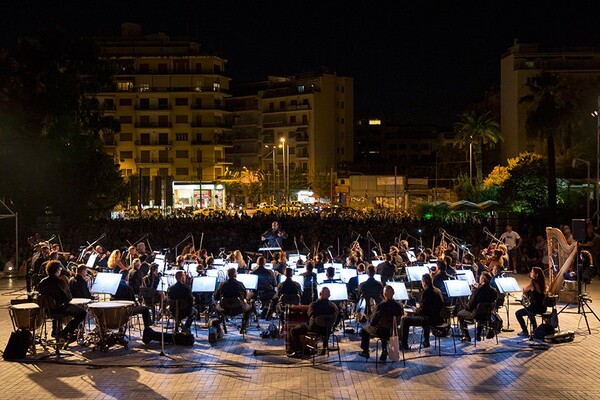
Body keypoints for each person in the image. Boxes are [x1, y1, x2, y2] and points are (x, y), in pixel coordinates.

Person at [37, 260, 86, 341]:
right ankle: (65, 332)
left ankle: (57, 331)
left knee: (61, 308)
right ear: (57, 270)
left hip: (47, 310)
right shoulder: (60, 282)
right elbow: (68, 298)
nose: (60, 271)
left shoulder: (42, 282)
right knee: (82, 313)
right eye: (60, 269)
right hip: (59, 308)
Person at [287, 286, 339, 357]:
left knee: (294, 330)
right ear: (329, 295)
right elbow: (337, 317)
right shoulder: (333, 307)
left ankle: (297, 351)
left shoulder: (314, 305)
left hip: (314, 329)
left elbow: (310, 315)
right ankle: (323, 348)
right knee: (324, 327)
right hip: (327, 331)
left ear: (320, 294)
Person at [359, 285, 404, 361]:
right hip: (393, 332)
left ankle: (365, 352)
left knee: (364, 329)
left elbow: (373, 322)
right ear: (394, 293)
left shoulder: (381, 306)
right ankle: (384, 349)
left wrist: (370, 321)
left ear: (384, 295)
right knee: (384, 327)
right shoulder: (399, 306)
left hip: (381, 331)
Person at [399, 273, 445, 350]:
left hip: (429, 319)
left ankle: (403, 344)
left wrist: (416, 310)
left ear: (424, 282)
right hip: (438, 318)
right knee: (422, 316)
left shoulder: (426, 293)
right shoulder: (438, 291)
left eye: (422, 281)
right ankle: (426, 341)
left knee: (404, 320)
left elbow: (422, 310)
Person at [457, 271, 498, 342]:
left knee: (460, 314)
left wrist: (466, 307)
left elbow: (470, 305)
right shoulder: (494, 291)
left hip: (476, 314)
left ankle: (466, 335)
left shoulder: (478, 290)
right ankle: (478, 334)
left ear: (482, 280)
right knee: (482, 314)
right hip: (488, 314)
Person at [214, 268, 252, 334]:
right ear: (235, 275)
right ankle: (243, 327)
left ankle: (221, 325)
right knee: (249, 308)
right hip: (238, 309)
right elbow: (245, 296)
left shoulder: (222, 285)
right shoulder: (240, 284)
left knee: (216, 307)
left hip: (224, 309)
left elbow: (216, 297)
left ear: (228, 275)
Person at [515, 266, 547, 337]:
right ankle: (534, 330)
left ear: (536, 274)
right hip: (542, 307)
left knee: (518, 313)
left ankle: (525, 331)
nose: (530, 273)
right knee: (529, 312)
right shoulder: (542, 283)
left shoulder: (533, 283)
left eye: (532, 272)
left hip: (535, 307)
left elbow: (525, 289)